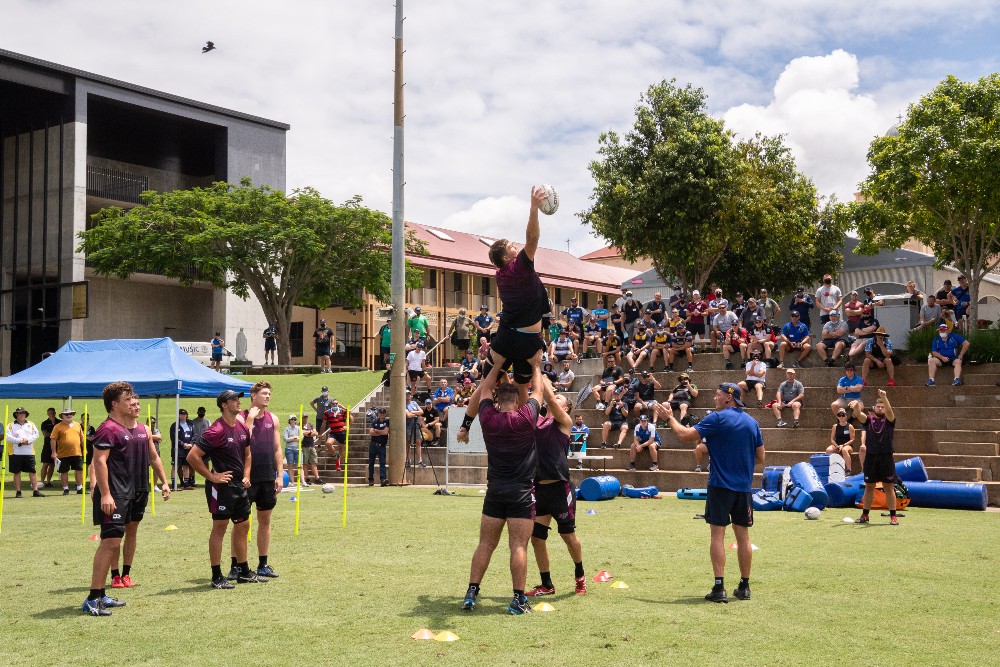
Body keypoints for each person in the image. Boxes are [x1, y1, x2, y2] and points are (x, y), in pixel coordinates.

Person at [460, 358, 544, 615]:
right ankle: (518, 599)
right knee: (518, 546)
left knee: (485, 544)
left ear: (497, 402)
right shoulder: (526, 418)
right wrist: (536, 366)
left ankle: (471, 593)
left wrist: (497, 366)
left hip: (495, 491)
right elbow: (538, 392)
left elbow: (484, 389)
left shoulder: (488, 418)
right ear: (517, 402)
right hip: (521, 492)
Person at [667, 383, 764, 602]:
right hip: (743, 488)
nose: (714, 398)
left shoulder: (717, 418)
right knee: (743, 537)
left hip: (720, 486)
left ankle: (719, 588)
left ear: (729, 398)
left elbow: (685, 435)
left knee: (718, 535)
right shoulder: (753, 423)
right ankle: (744, 586)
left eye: (718, 395)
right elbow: (761, 458)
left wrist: (669, 417)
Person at [84, 381, 170, 614]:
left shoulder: (142, 429)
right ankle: (93, 598)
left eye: (135, 399)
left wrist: (163, 481)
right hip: (116, 494)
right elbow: (99, 462)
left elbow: (153, 457)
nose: (134, 403)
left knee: (119, 538)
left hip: (137, 491)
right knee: (110, 542)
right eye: (128, 399)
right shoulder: (107, 429)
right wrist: (106, 494)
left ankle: (102, 595)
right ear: (114, 404)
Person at [186, 390, 260, 589]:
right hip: (221, 487)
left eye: (238, 399)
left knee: (243, 525)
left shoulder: (243, 428)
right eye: (234, 399)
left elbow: (248, 454)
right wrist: (212, 477)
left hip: (239, 486)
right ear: (224, 405)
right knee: (219, 528)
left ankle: (243, 571)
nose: (238, 402)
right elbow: (192, 456)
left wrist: (246, 475)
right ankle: (217, 575)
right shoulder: (215, 430)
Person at [234, 381, 283, 581]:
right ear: (253, 395)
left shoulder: (274, 419)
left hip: (267, 476)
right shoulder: (240, 417)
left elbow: (277, 449)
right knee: (241, 523)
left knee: (265, 521)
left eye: (269, 393)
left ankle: (263, 564)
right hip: (246, 478)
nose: (267, 397)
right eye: (264, 393)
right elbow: (242, 440)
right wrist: (251, 420)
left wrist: (280, 475)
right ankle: (236, 566)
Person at [851, 390, 899, 525]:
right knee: (869, 487)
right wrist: (856, 407)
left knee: (888, 487)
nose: (880, 408)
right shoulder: (869, 420)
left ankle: (893, 516)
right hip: (871, 457)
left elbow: (890, 412)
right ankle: (865, 515)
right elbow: (860, 416)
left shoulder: (889, 420)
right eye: (878, 406)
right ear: (874, 408)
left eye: (882, 406)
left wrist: (884, 397)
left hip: (886, 457)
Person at [5, 407, 45, 498]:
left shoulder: (31, 424)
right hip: (15, 452)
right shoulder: (10, 425)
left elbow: (36, 435)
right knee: (17, 472)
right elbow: (8, 437)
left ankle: (35, 491)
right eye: (19, 413)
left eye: (23, 413)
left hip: (29, 452)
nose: (21, 415)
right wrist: (20, 440)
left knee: (32, 471)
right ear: (16, 415)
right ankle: (18, 492)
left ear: (26, 414)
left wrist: (27, 440)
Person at [51, 407, 85, 495]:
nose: (69, 416)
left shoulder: (77, 425)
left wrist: (84, 449)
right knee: (64, 471)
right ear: (62, 416)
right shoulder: (57, 427)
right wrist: (54, 452)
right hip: (63, 454)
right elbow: (53, 439)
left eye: (70, 414)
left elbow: (82, 437)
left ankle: (79, 487)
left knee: (79, 469)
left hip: (77, 452)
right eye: (66, 414)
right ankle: (66, 489)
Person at [169, 409, 196, 490]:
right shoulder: (175, 425)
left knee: (186, 466)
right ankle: (174, 484)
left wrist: (191, 444)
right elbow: (174, 438)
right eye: (181, 414)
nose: (183, 416)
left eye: (184, 414)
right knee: (175, 466)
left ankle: (186, 483)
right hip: (178, 449)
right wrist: (183, 444)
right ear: (178, 415)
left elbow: (194, 435)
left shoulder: (191, 425)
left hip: (188, 449)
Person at [827, 409, 856, 476]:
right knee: (828, 450)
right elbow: (832, 439)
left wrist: (843, 445)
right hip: (837, 444)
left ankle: (849, 470)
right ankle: (832, 469)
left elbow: (852, 439)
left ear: (846, 416)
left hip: (847, 445)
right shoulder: (835, 426)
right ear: (837, 417)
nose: (841, 417)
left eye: (843, 415)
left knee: (844, 450)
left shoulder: (850, 426)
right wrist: (837, 446)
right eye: (839, 415)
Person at [322, 398, 348, 471]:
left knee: (341, 448)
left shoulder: (342, 411)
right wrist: (321, 434)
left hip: (342, 431)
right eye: (333, 404)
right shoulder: (327, 412)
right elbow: (324, 423)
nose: (335, 405)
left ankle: (338, 465)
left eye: (336, 403)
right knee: (328, 443)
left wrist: (347, 426)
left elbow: (349, 413)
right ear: (331, 404)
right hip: (333, 431)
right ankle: (335, 457)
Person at [368, 407, 389, 487]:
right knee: (371, 463)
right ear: (378, 413)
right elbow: (371, 433)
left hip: (382, 445)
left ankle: (383, 479)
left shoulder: (387, 421)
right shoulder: (374, 421)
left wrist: (377, 431)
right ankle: (370, 479)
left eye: (383, 413)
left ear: (385, 414)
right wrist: (381, 432)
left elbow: (386, 432)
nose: (382, 414)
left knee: (382, 463)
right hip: (373, 444)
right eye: (381, 413)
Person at [39, 407, 58, 488]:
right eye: (50, 413)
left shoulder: (59, 422)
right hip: (47, 446)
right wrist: (55, 432)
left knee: (52, 464)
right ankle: (42, 481)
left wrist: (54, 425)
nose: (51, 415)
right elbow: (45, 434)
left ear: (55, 413)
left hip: (57, 446)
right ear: (47, 414)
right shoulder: (44, 423)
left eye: (53, 413)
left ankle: (48, 481)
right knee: (45, 464)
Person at [405, 389, 424, 468]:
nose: (408, 395)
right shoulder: (402, 404)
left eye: (409, 394)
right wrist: (416, 413)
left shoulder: (414, 403)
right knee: (408, 443)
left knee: (418, 442)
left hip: (416, 425)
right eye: (406, 394)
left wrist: (412, 412)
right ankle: (408, 460)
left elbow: (421, 412)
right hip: (408, 425)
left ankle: (420, 460)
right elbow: (407, 415)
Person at [299, 416, 321, 485]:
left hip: (312, 446)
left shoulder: (310, 425)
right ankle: (307, 478)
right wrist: (310, 433)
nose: (305, 419)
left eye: (306, 417)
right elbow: (301, 433)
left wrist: (308, 433)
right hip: (304, 446)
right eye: (303, 417)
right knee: (305, 463)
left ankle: (317, 478)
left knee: (314, 462)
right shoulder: (298, 425)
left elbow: (316, 433)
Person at [283, 415, 300, 489]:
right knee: (290, 465)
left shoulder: (298, 428)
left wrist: (291, 438)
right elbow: (286, 439)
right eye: (292, 419)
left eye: (294, 419)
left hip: (297, 448)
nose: (293, 420)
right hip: (289, 449)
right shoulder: (286, 429)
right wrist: (294, 438)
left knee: (299, 465)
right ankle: (292, 482)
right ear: (289, 420)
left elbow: (301, 438)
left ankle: (301, 481)